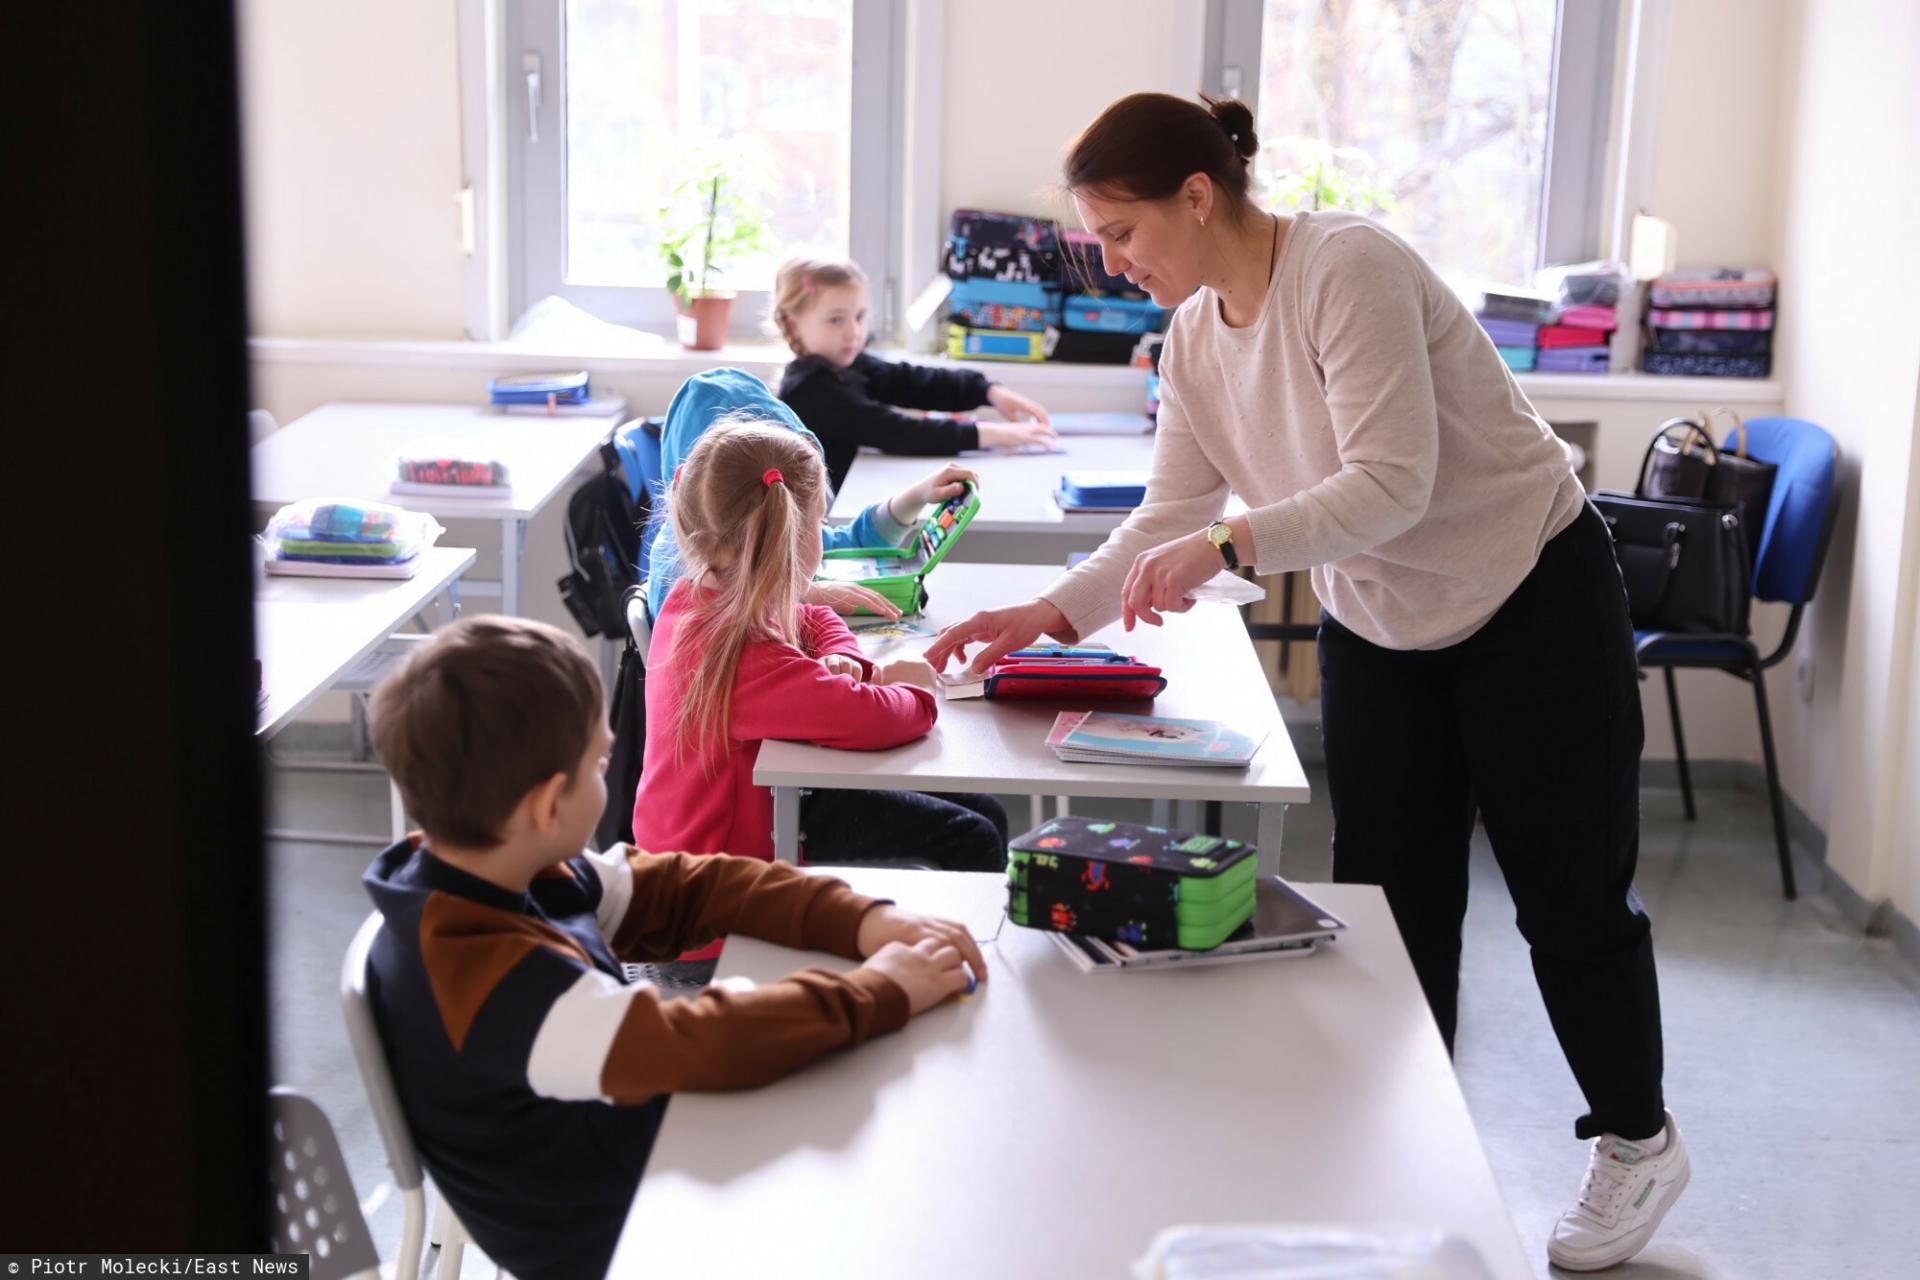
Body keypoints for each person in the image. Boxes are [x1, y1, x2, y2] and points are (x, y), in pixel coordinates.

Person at [924, 91, 1687, 1272]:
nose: (1113, 262)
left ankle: (1637, 1138)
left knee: (1566, 893)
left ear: (1196, 192)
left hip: (1529, 588)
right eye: (1098, 242)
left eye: (1122, 233)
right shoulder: (1189, 336)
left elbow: (1393, 481)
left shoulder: (1345, 266)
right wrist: (1046, 613)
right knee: (1394, 901)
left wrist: (1231, 544)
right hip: (1381, 618)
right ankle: (1399, 1143)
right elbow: (1166, 514)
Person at [363, 615, 984, 1280]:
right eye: (601, 763)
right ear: (547, 807)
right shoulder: (490, 981)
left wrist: (859, 921)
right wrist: (880, 989)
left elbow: (688, 889)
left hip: (633, 1159)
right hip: (619, 1237)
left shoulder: (492, 863)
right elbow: (701, 1042)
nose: (611, 774)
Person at [635, 419, 1008, 885]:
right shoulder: (743, 656)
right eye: (820, 524)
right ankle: (951, 956)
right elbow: (875, 719)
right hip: (716, 901)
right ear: (795, 535)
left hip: (713, 848)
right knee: (972, 835)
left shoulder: (697, 597)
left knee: (985, 813)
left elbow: (812, 618)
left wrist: (845, 660)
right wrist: (913, 686)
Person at [645, 366, 978, 623]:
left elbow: (843, 544)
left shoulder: (746, 536)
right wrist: (803, 597)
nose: (813, 531)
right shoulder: (683, 590)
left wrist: (914, 498)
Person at [772, 254, 1056, 491]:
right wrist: (993, 434)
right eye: (835, 319)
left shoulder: (845, 365)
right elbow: (897, 432)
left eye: (859, 317)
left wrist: (988, 391)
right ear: (793, 323)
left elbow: (914, 382)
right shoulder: (810, 391)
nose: (853, 332)